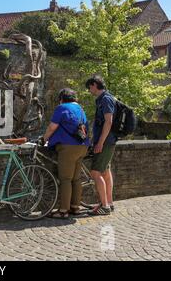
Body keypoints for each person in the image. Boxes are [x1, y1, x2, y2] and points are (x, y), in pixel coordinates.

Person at [41, 88, 90, 219]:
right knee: (76, 178)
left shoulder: (61, 108)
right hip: (82, 146)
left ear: (62, 98)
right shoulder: (81, 109)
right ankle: (75, 207)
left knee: (65, 179)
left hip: (68, 147)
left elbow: (52, 127)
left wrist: (43, 140)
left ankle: (63, 211)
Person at [85, 75, 117, 216]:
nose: (89, 90)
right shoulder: (105, 98)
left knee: (95, 172)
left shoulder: (105, 99)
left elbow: (108, 121)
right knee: (105, 172)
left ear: (94, 85)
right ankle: (109, 202)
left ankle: (104, 206)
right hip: (108, 141)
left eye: (89, 87)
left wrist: (100, 142)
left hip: (106, 142)